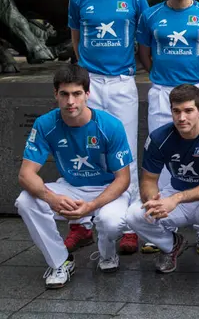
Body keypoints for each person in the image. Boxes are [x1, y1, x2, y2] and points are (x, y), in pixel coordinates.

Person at [15, 64, 132, 288]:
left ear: (87, 94)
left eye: (77, 94)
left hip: (107, 189)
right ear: (55, 94)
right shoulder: (45, 124)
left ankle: (108, 254)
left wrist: (91, 207)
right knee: (25, 201)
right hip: (70, 187)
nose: (71, 101)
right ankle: (60, 261)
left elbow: (123, 179)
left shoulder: (110, 125)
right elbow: (25, 174)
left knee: (111, 220)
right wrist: (53, 198)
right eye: (64, 94)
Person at [66, 0, 149, 254]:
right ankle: (81, 224)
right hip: (89, 85)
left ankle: (128, 225)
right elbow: (76, 39)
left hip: (121, 82)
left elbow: (142, 43)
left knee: (125, 150)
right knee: (85, 148)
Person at [137, 0, 199, 255]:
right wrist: (161, 77)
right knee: (159, 152)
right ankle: (160, 224)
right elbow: (145, 54)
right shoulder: (150, 15)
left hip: (196, 91)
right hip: (162, 91)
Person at [125, 85, 199, 283]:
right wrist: (153, 201)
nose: (182, 118)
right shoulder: (158, 137)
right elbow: (148, 180)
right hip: (176, 191)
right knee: (135, 215)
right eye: (176, 111)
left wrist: (176, 199)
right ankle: (171, 245)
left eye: (188, 110)